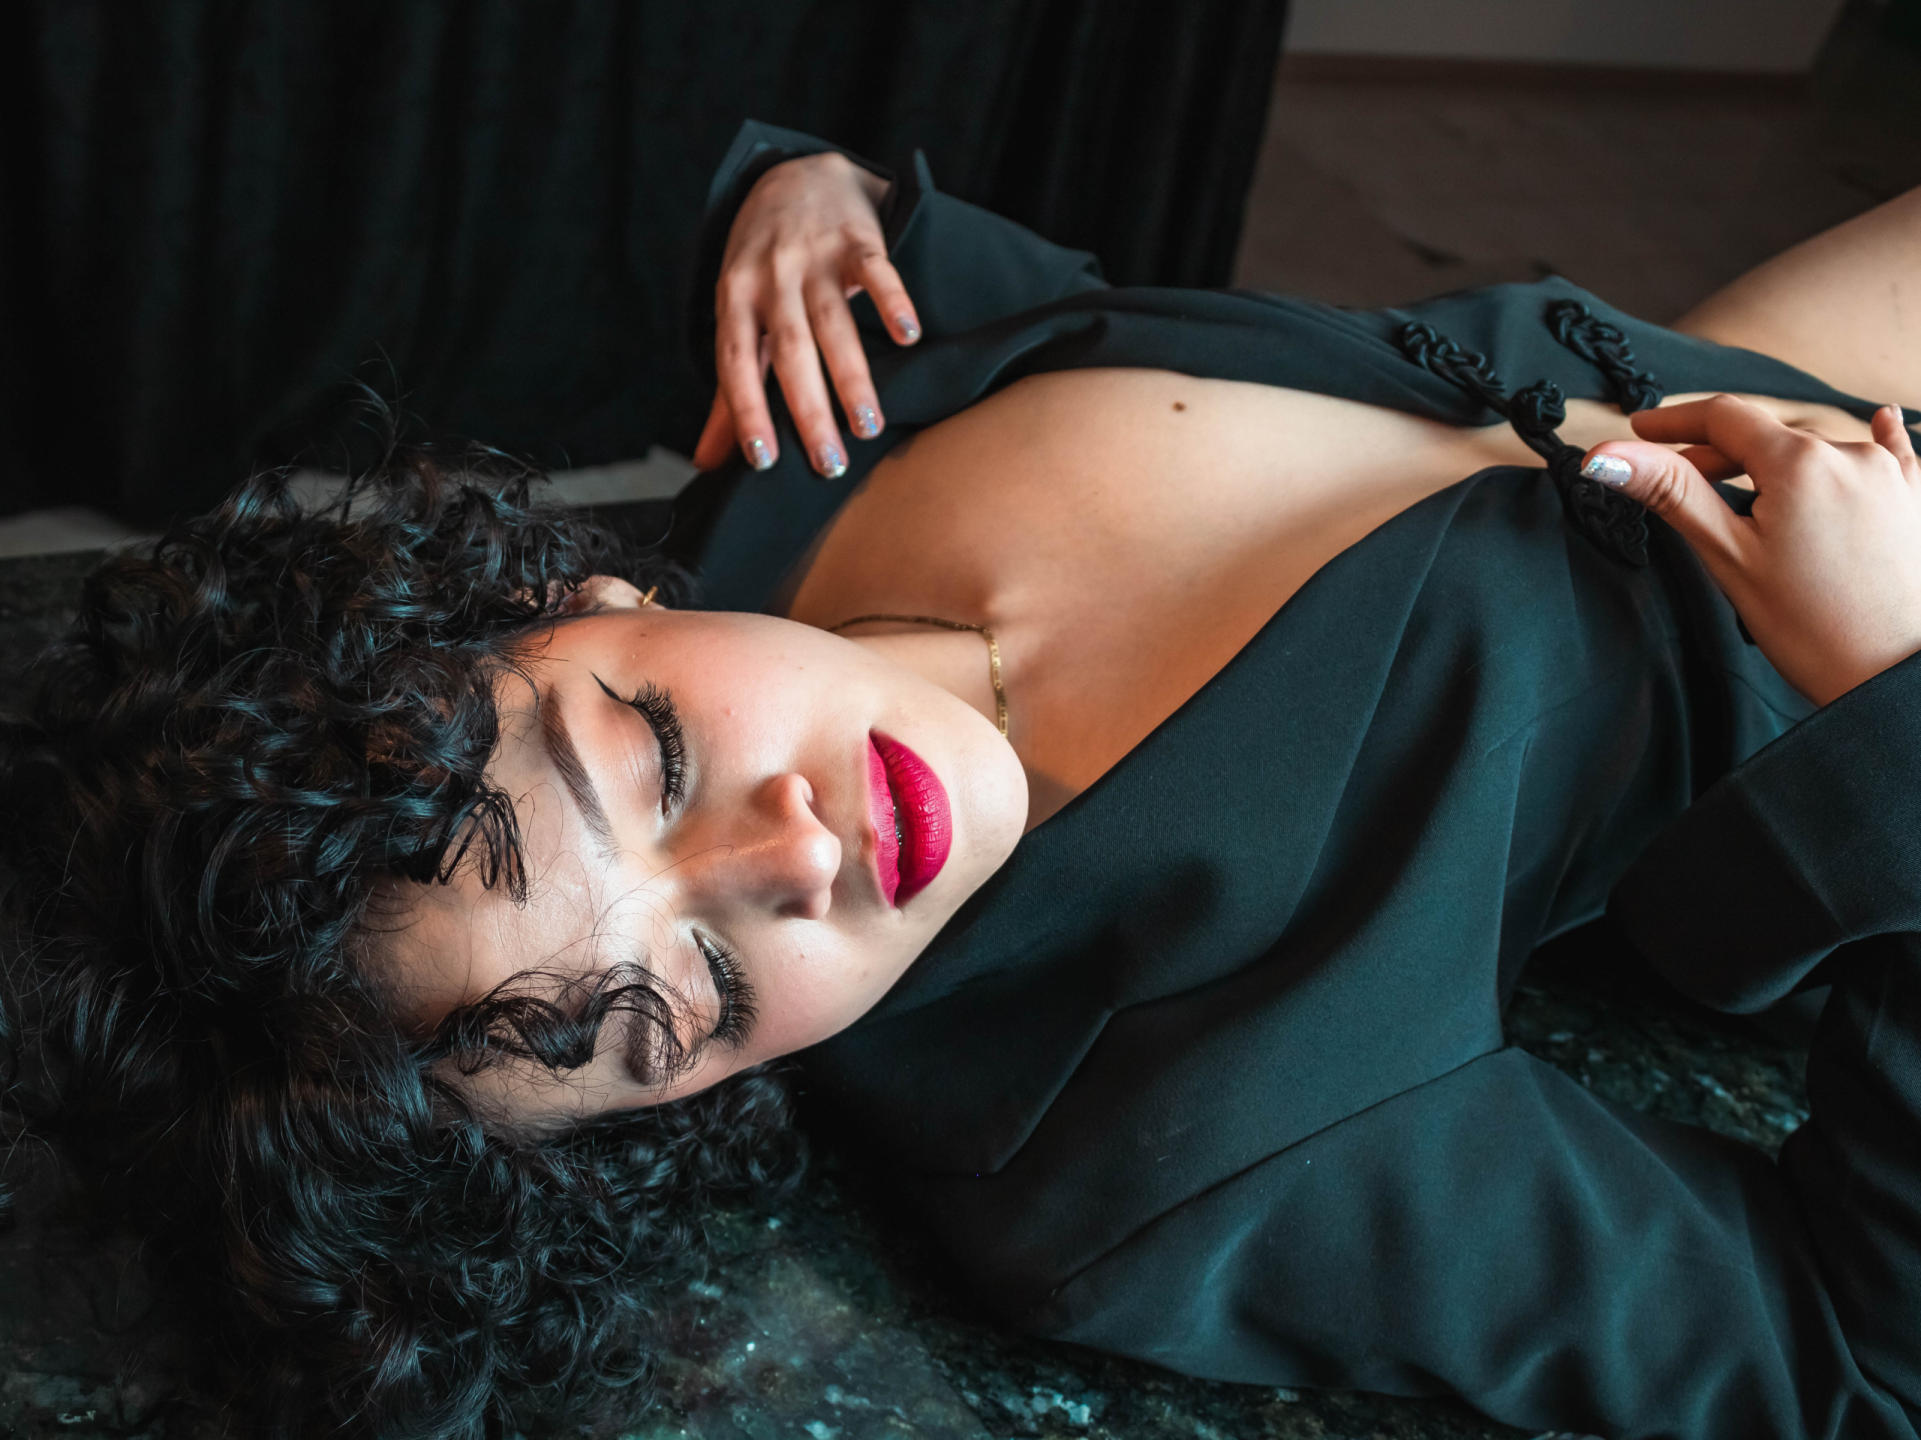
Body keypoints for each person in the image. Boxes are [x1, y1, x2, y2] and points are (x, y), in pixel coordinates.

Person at [2, 118, 1918, 1440]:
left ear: (568, 601)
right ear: (696, 1103)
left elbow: (1120, 328)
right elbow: (1854, 1359)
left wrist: (821, 194)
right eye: (702, 995)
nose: (791, 860)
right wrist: (1897, 708)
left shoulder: (803, 451)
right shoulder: (1178, 1137)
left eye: (653, 757)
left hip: (1791, 343)